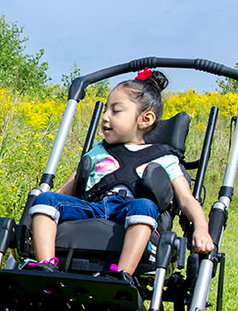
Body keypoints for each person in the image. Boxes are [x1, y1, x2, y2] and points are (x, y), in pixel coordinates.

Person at [27, 68, 214, 277]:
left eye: (115, 111)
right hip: (94, 207)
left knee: (145, 205)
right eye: (106, 109)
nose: (105, 117)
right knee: (46, 199)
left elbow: (187, 199)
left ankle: (122, 274)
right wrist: (39, 210)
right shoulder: (98, 151)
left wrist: (201, 228)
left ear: (145, 119)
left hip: (132, 212)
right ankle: (45, 267)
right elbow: (68, 188)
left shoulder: (164, 158)